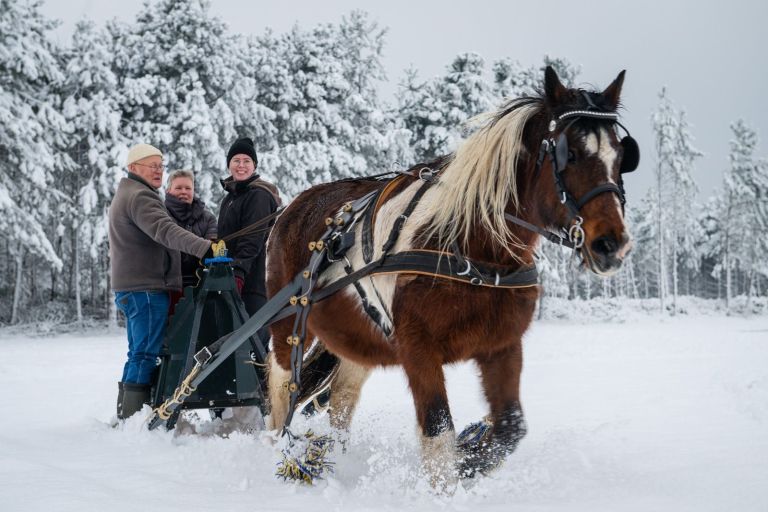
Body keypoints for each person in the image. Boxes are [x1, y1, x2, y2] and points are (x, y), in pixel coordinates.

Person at [109, 143, 217, 420]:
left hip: (135, 287)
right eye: (151, 165)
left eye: (160, 165)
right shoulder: (140, 196)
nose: (158, 171)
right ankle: (133, 419)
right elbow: (165, 229)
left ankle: (127, 416)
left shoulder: (131, 192)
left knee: (138, 353)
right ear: (134, 168)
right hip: (144, 287)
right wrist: (205, 248)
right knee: (145, 353)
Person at [217, 137, 280, 319]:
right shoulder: (230, 198)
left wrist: (239, 271)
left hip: (254, 282)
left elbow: (252, 237)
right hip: (233, 278)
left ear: (255, 166)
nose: (241, 165)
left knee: (251, 341)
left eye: (247, 161)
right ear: (229, 165)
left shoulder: (259, 195)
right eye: (236, 160)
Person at [164, 169, 217, 289]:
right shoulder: (160, 216)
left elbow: (212, 251)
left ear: (193, 191)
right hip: (166, 287)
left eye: (188, 188)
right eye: (178, 188)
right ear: (168, 191)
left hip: (200, 285)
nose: (184, 192)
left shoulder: (208, 218)